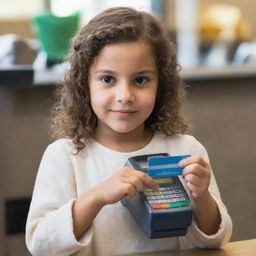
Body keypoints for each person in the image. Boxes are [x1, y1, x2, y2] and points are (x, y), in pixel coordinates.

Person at [25, 7, 232, 256]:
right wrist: (96, 197)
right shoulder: (64, 156)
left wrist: (201, 199)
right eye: (108, 79)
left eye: (141, 80)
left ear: (161, 84)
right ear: (84, 84)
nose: (125, 96)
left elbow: (214, 242)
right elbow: (40, 246)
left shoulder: (186, 150)